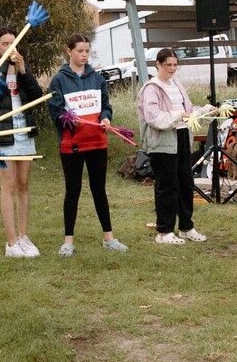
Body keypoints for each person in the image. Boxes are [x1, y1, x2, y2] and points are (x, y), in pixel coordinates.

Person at [48, 33, 128, 256]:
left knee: (99, 190)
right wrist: (68, 120)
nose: (84, 55)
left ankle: (109, 238)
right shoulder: (59, 80)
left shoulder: (97, 78)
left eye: (87, 51)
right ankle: (68, 242)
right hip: (71, 145)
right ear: (69, 52)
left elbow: (106, 105)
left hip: (97, 143)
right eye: (79, 51)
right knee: (72, 190)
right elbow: (55, 112)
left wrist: (105, 118)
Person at [0, 27, 43, 258]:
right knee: (9, 185)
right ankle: (11, 242)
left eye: (13, 43)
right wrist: (6, 66)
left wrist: (23, 71)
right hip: (4, 132)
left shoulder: (21, 65)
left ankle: (24, 236)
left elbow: (36, 95)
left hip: (24, 130)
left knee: (24, 183)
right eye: (5, 44)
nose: (10, 48)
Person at [138, 48, 213, 245]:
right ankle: (164, 231)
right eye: (168, 65)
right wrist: (178, 115)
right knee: (167, 186)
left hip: (182, 137)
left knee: (186, 184)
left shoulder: (177, 85)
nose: (172, 69)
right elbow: (154, 117)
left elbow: (188, 110)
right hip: (162, 142)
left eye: (174, 65)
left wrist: (205, 111)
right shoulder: (151, 88)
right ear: (158, 64)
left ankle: (186, 227)